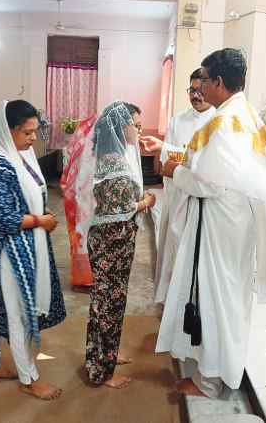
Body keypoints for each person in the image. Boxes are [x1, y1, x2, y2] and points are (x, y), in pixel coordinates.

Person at [149, 49, 266, 398]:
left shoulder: (223, 124)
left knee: (216, 297)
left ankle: (209, 380)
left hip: (220, 222)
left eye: (203, 78)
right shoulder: (247, 115)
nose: (200, 85)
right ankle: (219, 370)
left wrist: (175, 170)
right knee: (229, 297)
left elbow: (210, 182)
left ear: (218, 82)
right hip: (236, 219)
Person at [0, 99, 67, 400]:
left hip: (22, 240)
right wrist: (40, 220)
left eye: (34, 131)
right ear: (8, 130)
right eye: (27, 132)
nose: (33, 138)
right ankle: (29, 378)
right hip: (7, 249)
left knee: (1, 306)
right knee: (19, 312)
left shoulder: (17, 155)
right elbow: (0, 216)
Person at [71, 101, 157, 389]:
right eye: (135, 124)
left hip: (111, 240)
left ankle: (105, 354)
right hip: (113, 242)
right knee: (108, 303)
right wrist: (145, 202)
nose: (139, 129)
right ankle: (101, 372)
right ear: (120, 128)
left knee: (108, 302)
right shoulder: (115, 163)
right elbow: (120, 209)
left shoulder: (111, 155)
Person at [140, 68, 216, 304]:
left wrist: (172, 155)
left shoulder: (217, 121)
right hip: (176, 195)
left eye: (201, 90)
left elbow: (206, 166)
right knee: (174, 248)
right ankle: (172, 300)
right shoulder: (178, 120)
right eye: (192, 90)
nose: (196, 95)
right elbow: (166, 164)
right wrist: (169, 155)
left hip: (202, 200)